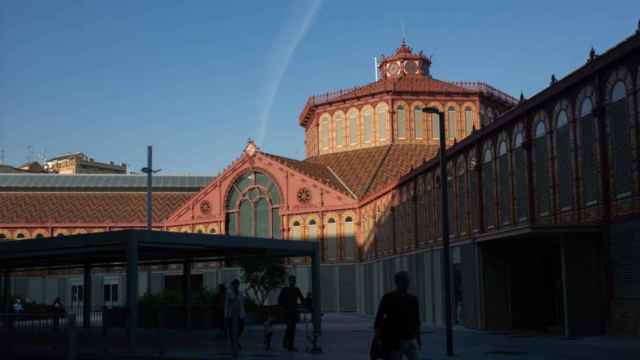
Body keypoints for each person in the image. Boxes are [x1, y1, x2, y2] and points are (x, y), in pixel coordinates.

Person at [374, 271, 421, 360]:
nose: (408, 284)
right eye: (405, 281)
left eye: (408, 281)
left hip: (410, 339)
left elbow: (416, 321)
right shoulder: (388, 298)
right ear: (398, 282)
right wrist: (378, 338)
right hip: (395, 340)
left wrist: (418, 339)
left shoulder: (413, 299)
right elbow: (379, 319)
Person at [278, 275, 304, 352]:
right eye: (291, 280)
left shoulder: (296, 290)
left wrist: (304, 305)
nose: (292, 282)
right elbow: (279, 300)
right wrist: (285, 306)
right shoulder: (285, 289)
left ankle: (288, 344)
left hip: (293, 312)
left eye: (293, 280)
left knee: (292, 328)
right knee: (290, 328)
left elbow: (302, 299)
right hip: (287, 312)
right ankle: (288, 344)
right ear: (289, 281)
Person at [224, 279, 246, 359]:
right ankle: (234, 347)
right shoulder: (229, 293)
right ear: (233, 285)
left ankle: (236, 340)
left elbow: (242, 303)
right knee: (232, 331)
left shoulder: (240, 293)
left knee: (241, 328)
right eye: (235, 284)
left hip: (240, 314)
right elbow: (226, 304)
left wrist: (243, 314)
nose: (236, 285)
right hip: (231, 315)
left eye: (238, 284)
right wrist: (226, 315)